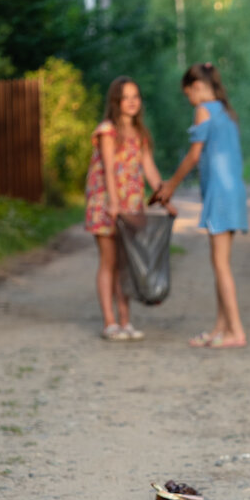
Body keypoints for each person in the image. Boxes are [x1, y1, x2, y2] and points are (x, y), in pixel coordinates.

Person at [156, 62, 247, 349]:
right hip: (233, 193)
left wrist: (170, 185)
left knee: (220, 265)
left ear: (196, 87)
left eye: (188, 95)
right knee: (221, 262)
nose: (190, 102)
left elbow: (194, 156)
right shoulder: (227, 111)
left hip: (219, 195)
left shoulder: (204, 109)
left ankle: (236, 331)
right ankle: (221, 328)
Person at [85, 76, 163, 341]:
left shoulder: (140, 133)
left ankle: (126, 321)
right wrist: (114, 203)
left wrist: (164, 196)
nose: (132, 102)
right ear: (116, 101)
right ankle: (110, 322)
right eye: (126, 97)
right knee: (109, 262)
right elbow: (108, 168)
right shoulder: (107, 130)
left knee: (127, 264)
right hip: (107, 203)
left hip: (131, 205)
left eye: (136, 97)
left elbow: (149, 168)